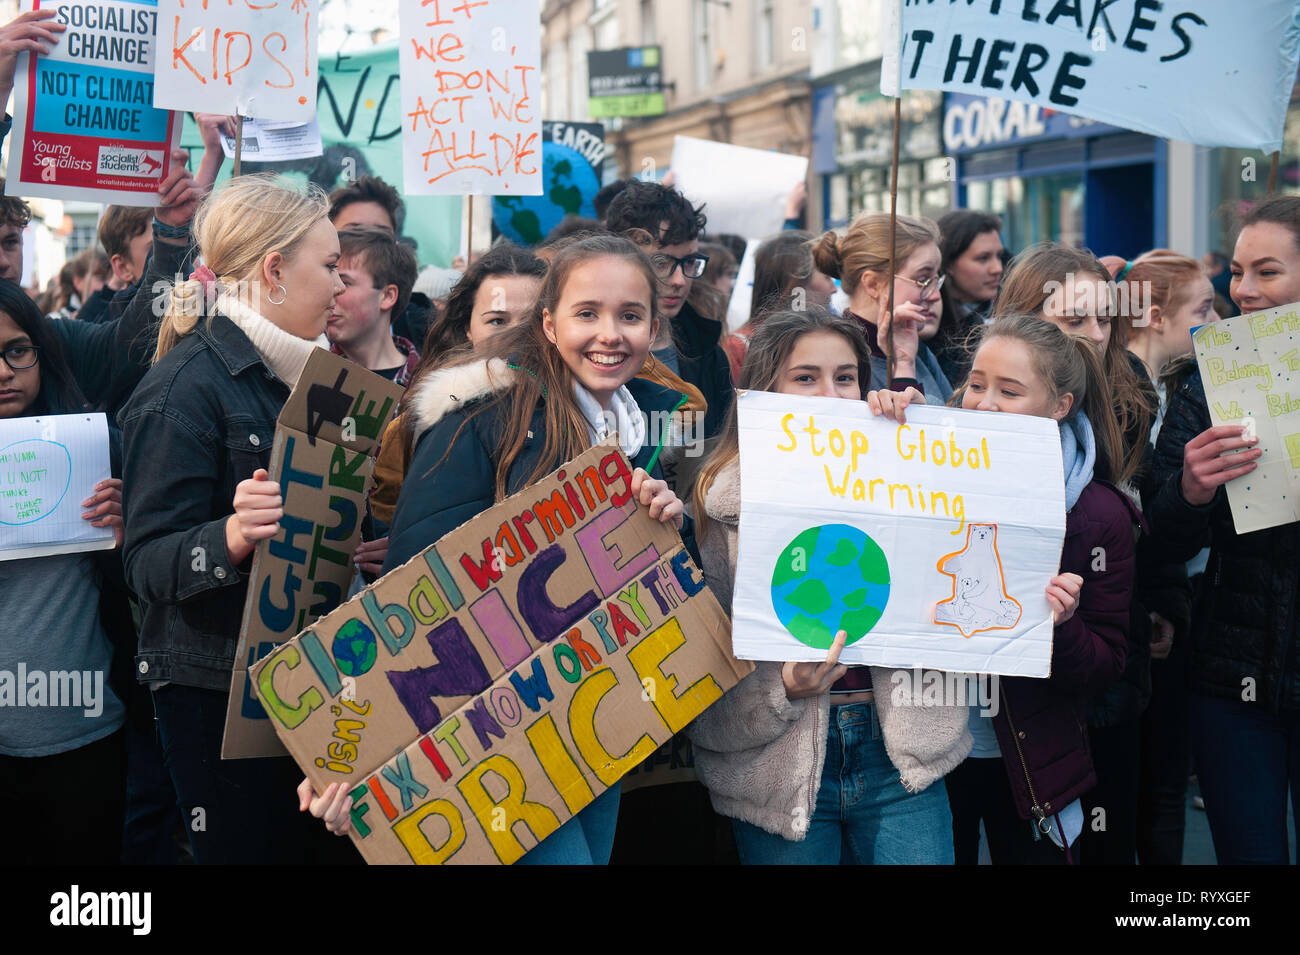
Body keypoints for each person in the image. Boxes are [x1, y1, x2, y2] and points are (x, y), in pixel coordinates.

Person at [301, 233, 688, 865]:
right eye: (587, 313)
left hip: (600, 714)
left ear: (654, 327)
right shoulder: (477, 418)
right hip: (499, 731)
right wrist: (359, 748)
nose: (609, 334)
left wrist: (669, 526)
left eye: (630, 315)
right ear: (550, 322)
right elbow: (413, 592)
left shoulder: (641, 429)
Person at [119, 175, 355, 865]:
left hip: (317, 678)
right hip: (219, 697)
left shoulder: (325, 384)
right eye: (330, 264)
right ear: (274, 271)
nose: (342, 284)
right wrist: (228, 537)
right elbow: (144, 563)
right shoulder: (182, 388)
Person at [687, 307, 970, 864]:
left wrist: (917, 447)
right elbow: (706, 663)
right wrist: (782, 693)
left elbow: (970, 578)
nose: (831, 396)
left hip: (899, 763)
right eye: (805, 377)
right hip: (778, 770)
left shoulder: (904, 470)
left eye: (845, 378)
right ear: (765, 392)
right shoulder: (723, 508)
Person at [938, 313, 1138, 864]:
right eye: (976, 385)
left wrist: (1065, 627)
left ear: (1059, 407)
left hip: (1030, 761)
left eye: (1009, 391)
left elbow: (1107, 664)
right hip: (927, 753)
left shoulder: (1099, 516)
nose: (983, 403)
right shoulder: (922, 474)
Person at [1145, 194, 1300, 864]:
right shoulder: (1210, 381)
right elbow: (1158, 541)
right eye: (1236, 272)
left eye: (1267, 271)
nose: (1243, 290)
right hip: (1233, 681)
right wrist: (1190, 489)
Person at [996, 243, 1155, 865]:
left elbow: (1147, 532)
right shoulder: (972, 411)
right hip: (993, 703)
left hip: (1097, 682)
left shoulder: (1128, 394)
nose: (1093, 335)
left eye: (1104, 317)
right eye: (1072, 320)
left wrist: (1186, 501)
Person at [0, 280, 130, 864]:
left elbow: (155, 578)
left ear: (42, 352)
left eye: (16, 350)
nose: (4, 371)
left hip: (88, 730)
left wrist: (129, 530)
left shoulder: (97, 448)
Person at [1112, 250, 1213, 864]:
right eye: (1201, 310)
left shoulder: (1185, 388)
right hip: (1129, 622)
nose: (1214, 322)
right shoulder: (1121, 398)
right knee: (1136, 790)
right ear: (1153, 315)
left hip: (1173, 608)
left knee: (1166, 782)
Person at [369, 243, 548, 530]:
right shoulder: (418, 423)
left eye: (531, 320)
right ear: (467, 328)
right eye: (497, 321)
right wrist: (389, 543)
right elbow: (388, 517)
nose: (517, 335)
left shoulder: (583, 409)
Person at [605, 179, 734, 437]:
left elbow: (723, 448)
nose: (679, 280)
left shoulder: (708, 352)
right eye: (661, 262)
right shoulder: (597, 350)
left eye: (689, 261)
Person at [812, 213, 952, 403]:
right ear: (873, 284)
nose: (935, 295)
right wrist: (903, 369)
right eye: (923, 280)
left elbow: (953, 421)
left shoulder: (917, 349)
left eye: (937, 280)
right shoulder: (838, 357)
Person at [327, 174, 432, 346]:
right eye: (355, 232)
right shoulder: (305, 326)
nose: (369, 244)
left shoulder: (427, 332)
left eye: (381, 234)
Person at [722, 231, 837, 381]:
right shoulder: (738, 348)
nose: (834, 289)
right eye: (827, 277)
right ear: (796, 284)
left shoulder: (832, 342)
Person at [326, 225, 419, 384]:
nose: (330, 293)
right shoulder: (306, 374)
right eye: (327, 281)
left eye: (345, 282)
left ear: (387, 296)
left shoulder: (431, 387)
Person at [932, 210, 1004, 385]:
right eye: (983, 258)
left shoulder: (1011, 313)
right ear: (948, 264)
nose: (997, 268)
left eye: (999, 256)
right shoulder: (926, 324)